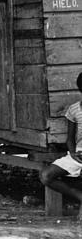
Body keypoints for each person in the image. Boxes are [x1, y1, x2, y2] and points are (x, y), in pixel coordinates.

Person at [40, 71, 82, 218]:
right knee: (46, 176)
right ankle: (79, 196)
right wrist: (73, 154)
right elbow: (70, 139)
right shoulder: (74, 110)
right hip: (78, 155)